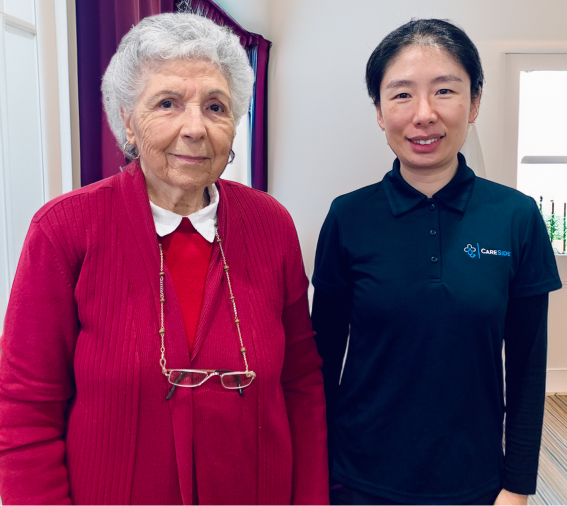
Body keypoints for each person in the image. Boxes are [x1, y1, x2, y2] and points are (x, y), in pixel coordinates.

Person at [0, 13, 328, 505]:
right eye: (168, 103)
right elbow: (26, 408)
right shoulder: (65, 230)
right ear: (129, 120)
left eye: (216, 106)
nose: (195, 128)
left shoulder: (272, 225)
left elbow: (300, 384)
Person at [312, 19, 561, 506]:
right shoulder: (349, 216)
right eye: (401, 95)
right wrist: (316, 474)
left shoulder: (516, 216)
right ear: (380, 113)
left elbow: (529, 369)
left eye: (444, 90)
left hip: (477, 482)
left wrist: (519, 486)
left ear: (474, 103)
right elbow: (321, 360)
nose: (423, 115)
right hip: (356, 479)